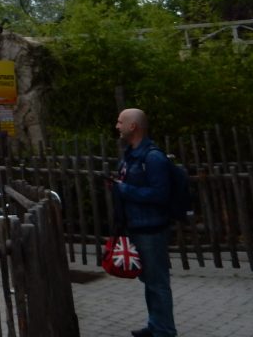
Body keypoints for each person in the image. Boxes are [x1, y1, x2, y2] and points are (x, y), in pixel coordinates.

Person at [112, 108, 177, 337]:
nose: (117, 126)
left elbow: (160, 194)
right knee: (149, 279)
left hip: (152, 228)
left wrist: (124, 189)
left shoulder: (153, 157)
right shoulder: (131, 155)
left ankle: (165, 331)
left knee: (157, 281)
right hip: (136, 225)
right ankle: (156, 325)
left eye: (120, 122)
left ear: (133, 126)